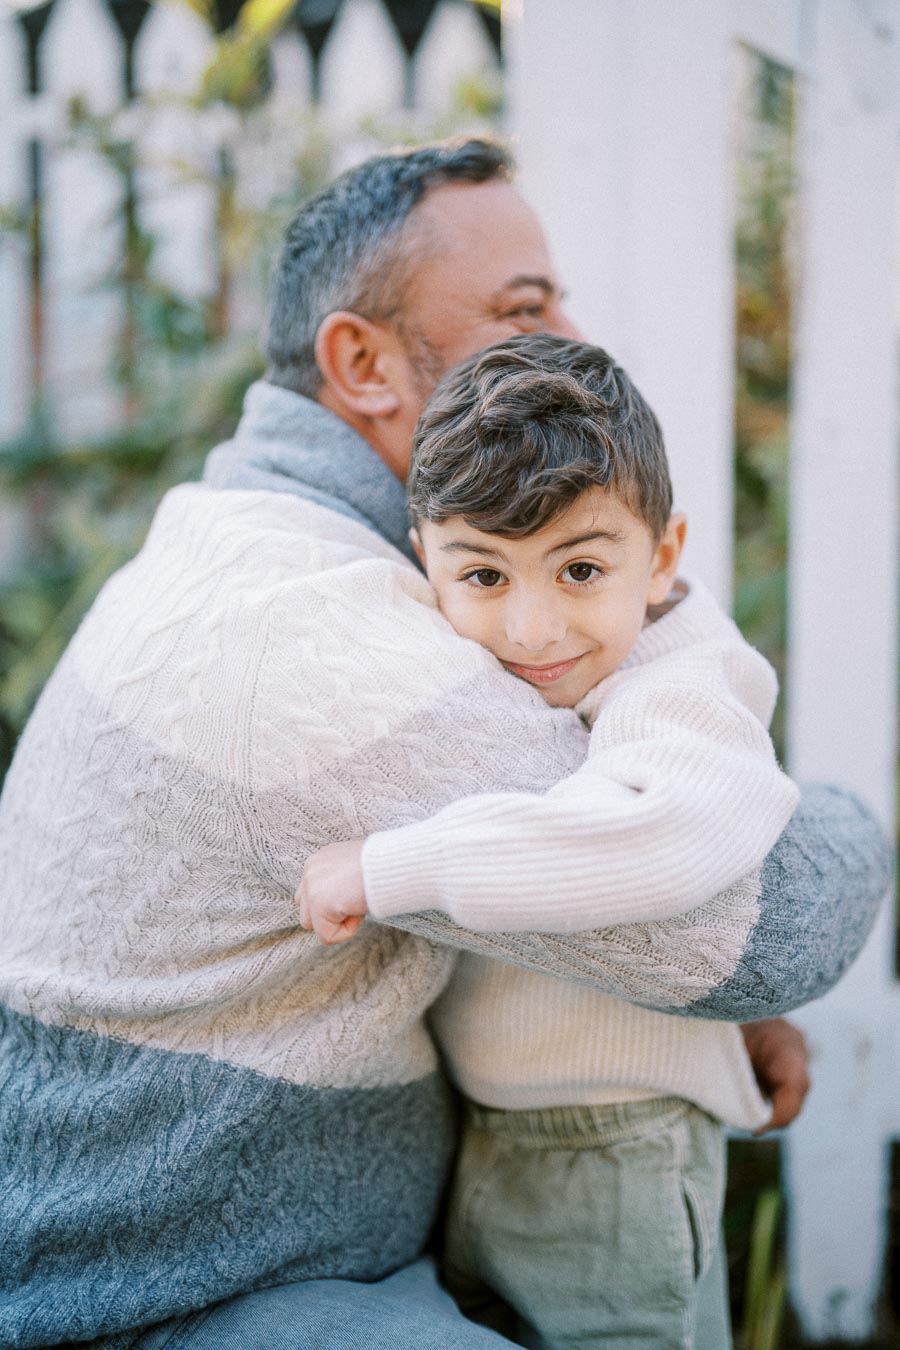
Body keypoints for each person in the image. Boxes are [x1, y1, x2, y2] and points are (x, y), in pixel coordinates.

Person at [0, 138, 886, 1350]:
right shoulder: (306, 621)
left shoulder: (295, 548)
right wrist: (858, 821)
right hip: (174, 1297)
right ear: (362, 364)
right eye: (524, 309)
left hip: (294, 1259)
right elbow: (746, 924)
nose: (576, 339)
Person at [297, 332, 800, 1348]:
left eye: (578, 568)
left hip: (620, 1157)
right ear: (422, 555)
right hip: (488, 1137)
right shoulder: (487, 665)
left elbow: (658, 841)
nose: (532, 629)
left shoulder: (687, 685)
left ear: (661, 558)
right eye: (483, 576)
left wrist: (397, 864)